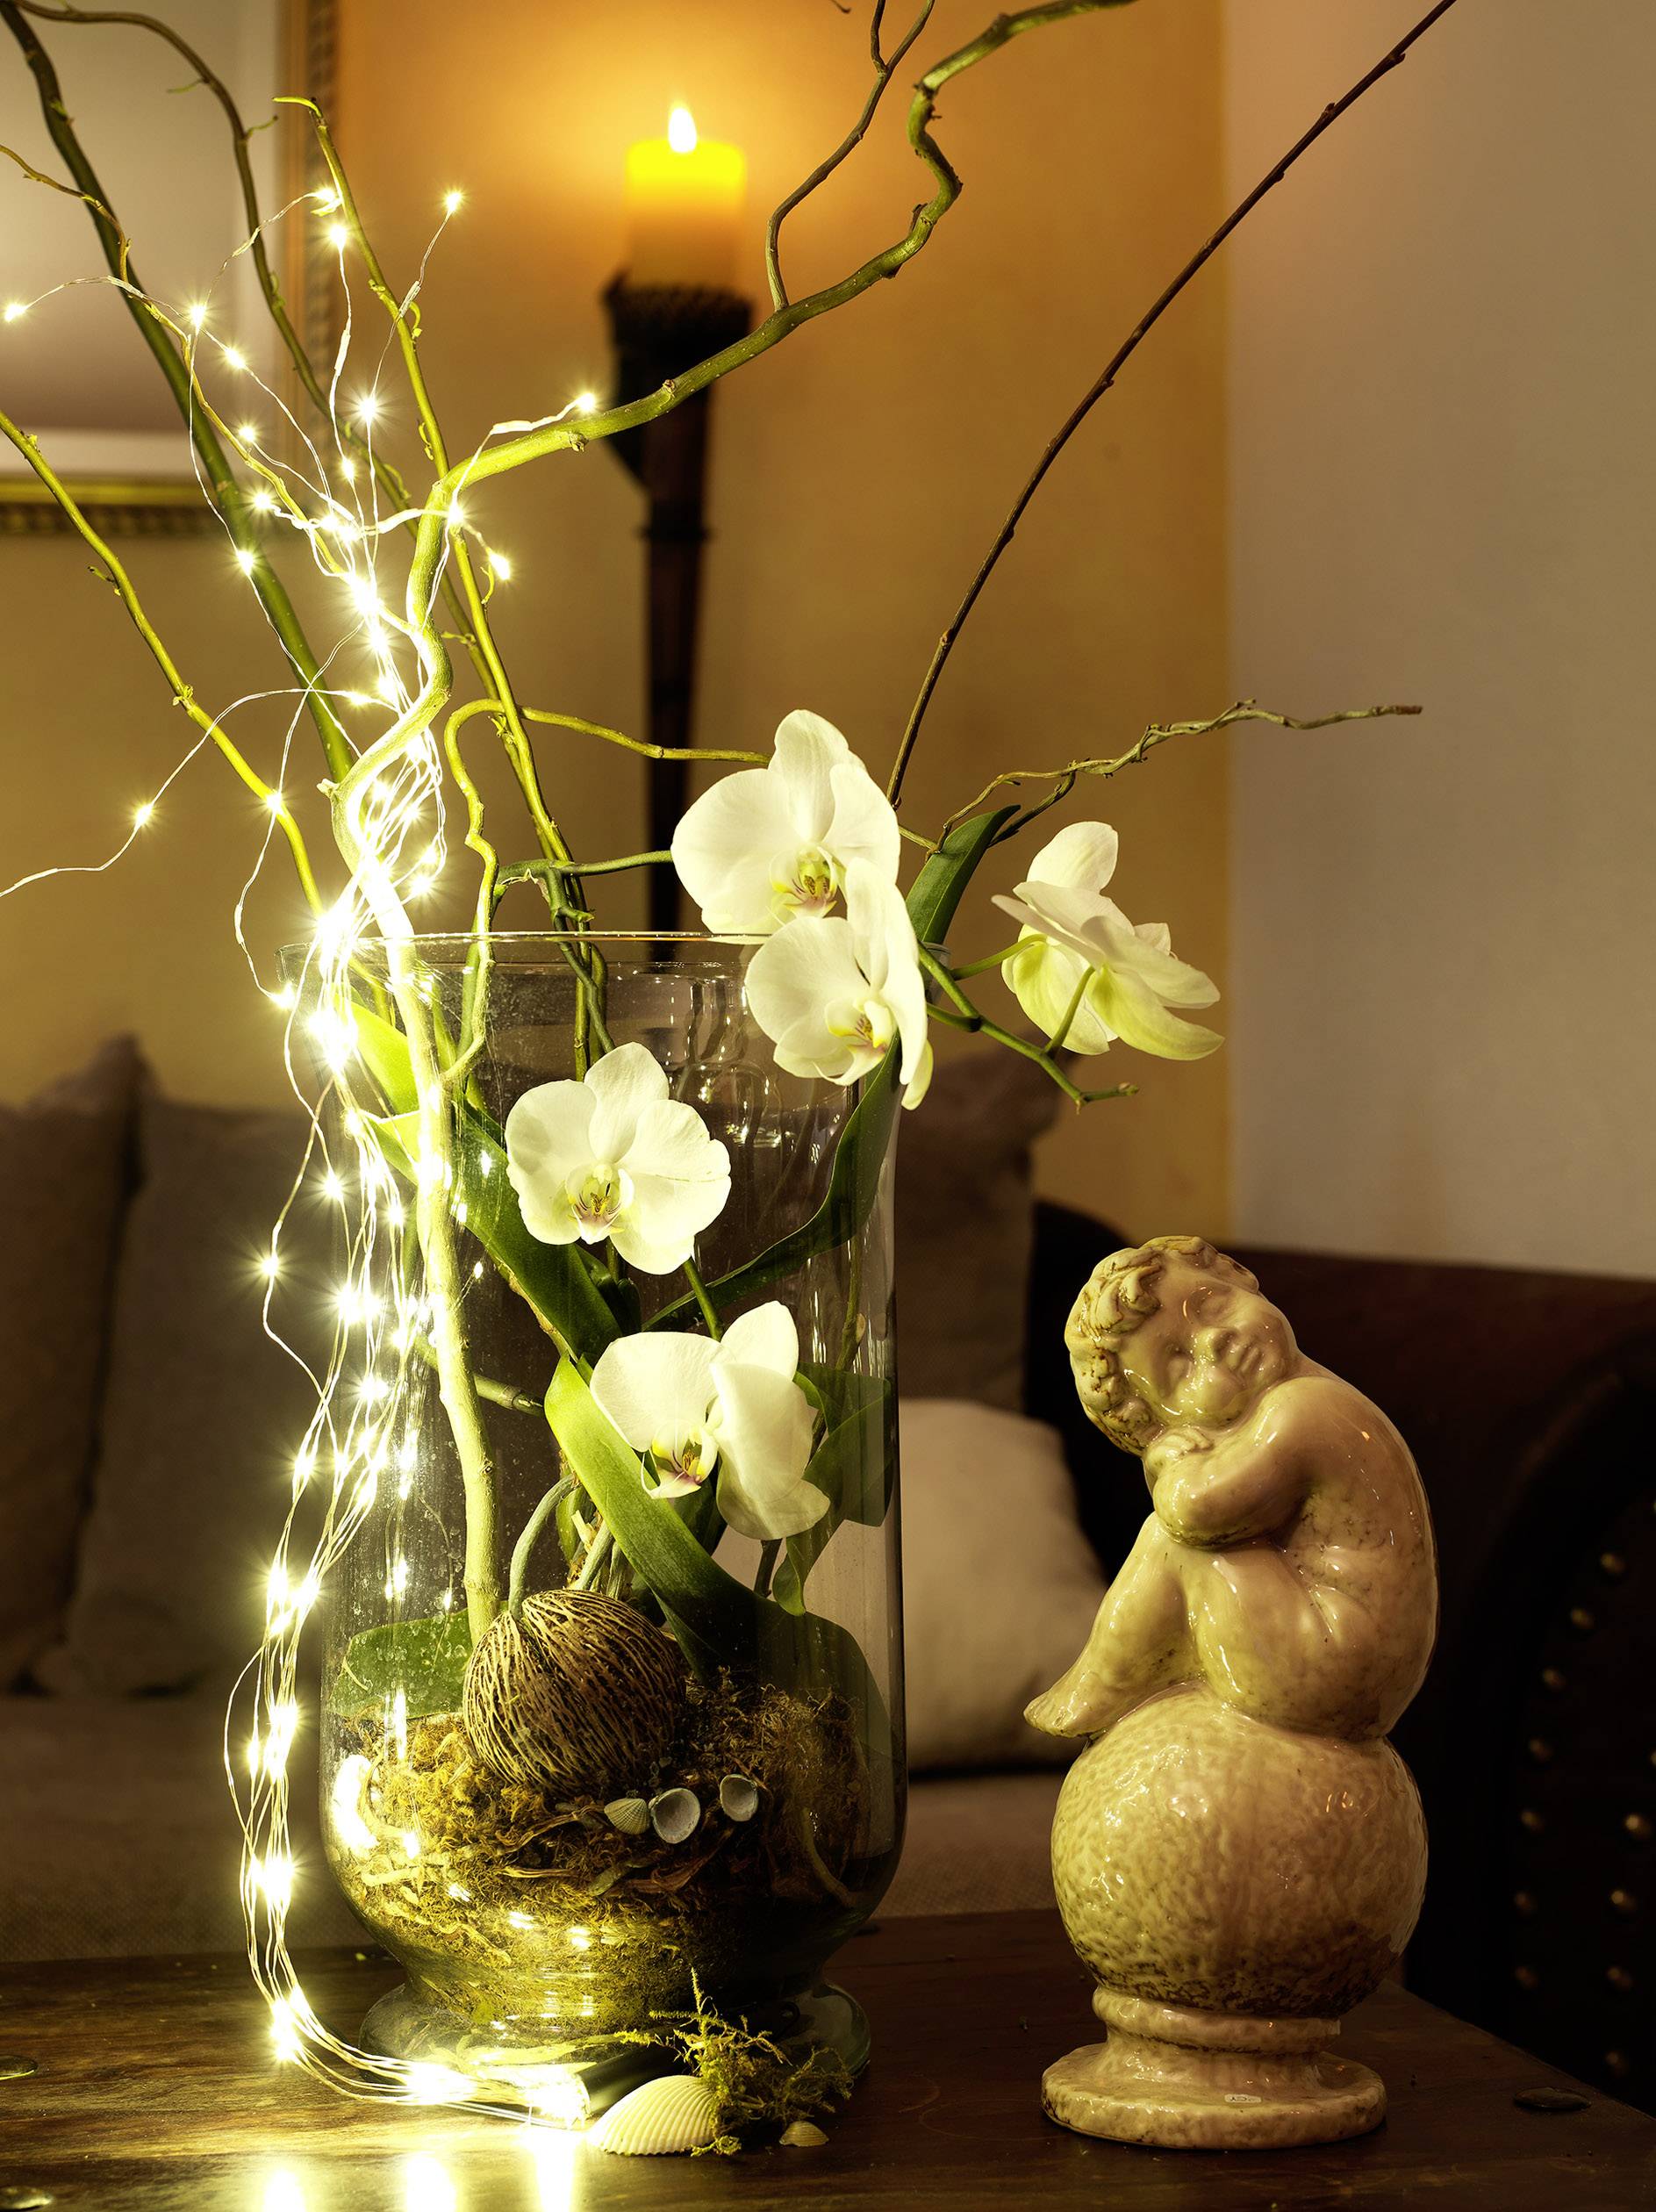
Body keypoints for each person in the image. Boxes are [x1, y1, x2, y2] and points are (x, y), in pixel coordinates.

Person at [1027, 1236, 1437, 1746]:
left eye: (1211, 1305)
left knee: (1177, 1543)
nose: (1212, 1342)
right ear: (1158, 1416)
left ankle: (1106, 1678)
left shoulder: (1306, 1408)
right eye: (1180, 1365)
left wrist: (1169, 1460)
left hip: (1335, 1661)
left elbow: (1194, 1511)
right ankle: (1109, 1677)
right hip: (1348, 1657)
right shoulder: (1291, 1406)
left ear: (1243, 1280)